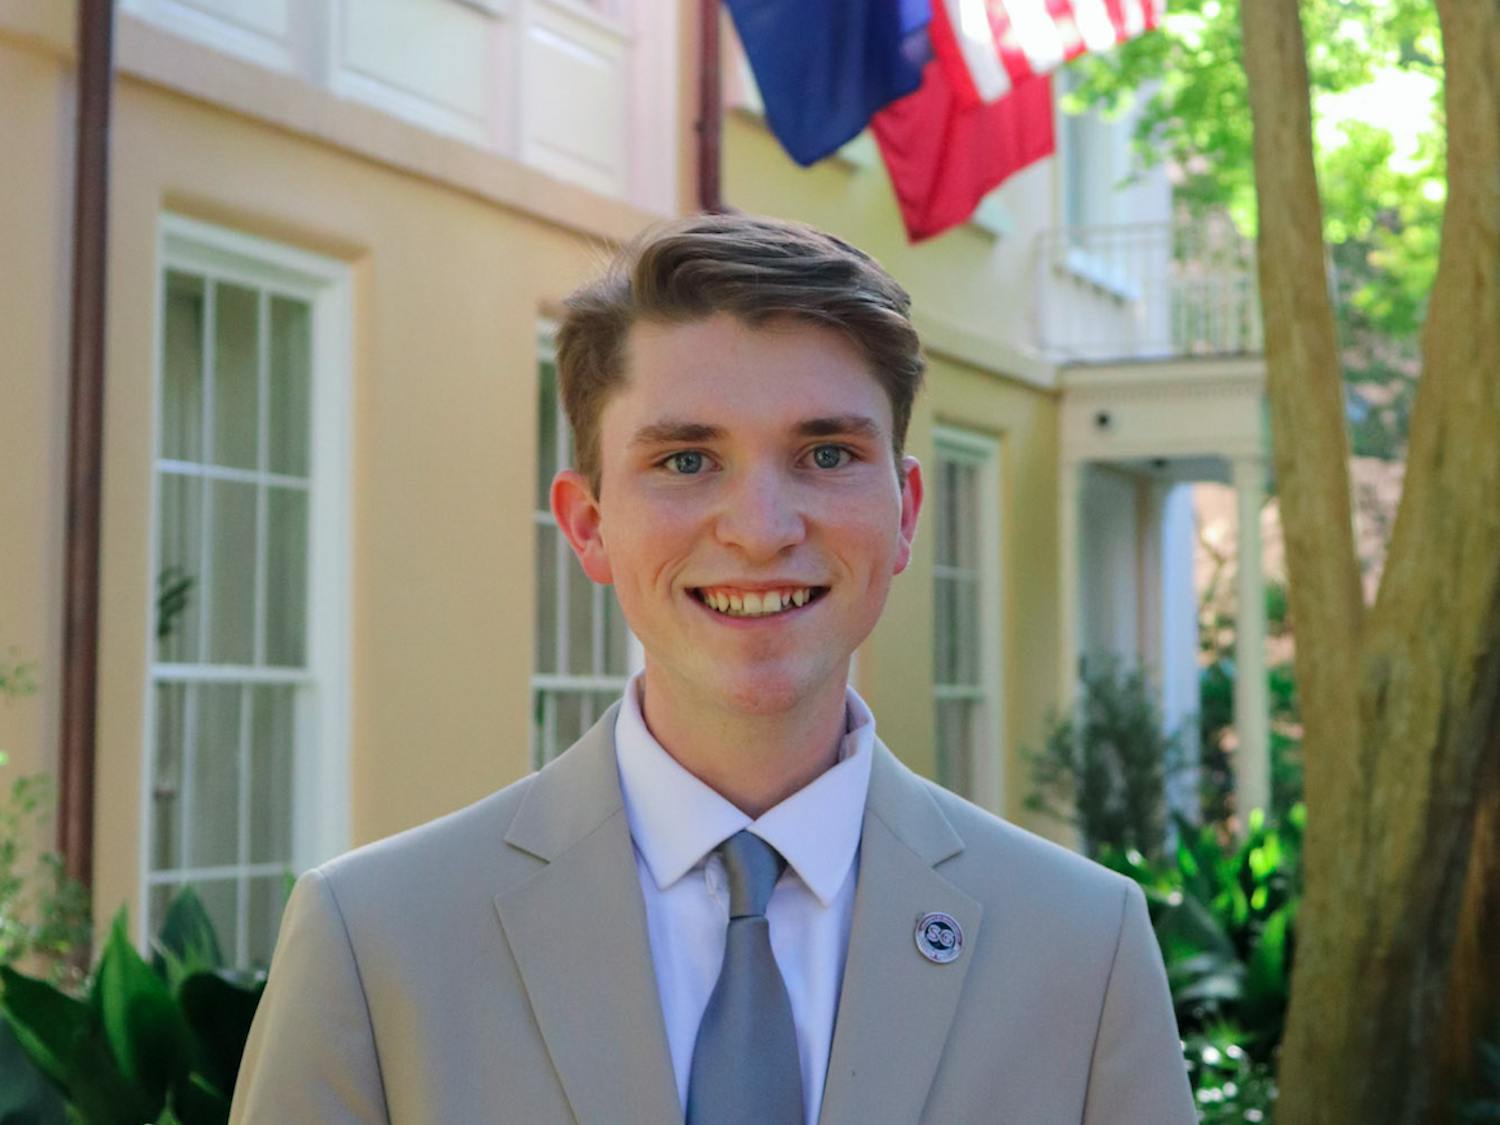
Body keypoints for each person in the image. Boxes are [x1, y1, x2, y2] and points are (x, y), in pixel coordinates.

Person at [229, 212, 1196, 1124]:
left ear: (904, 513)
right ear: (589, 523)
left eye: (825, 451)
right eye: (687, 461)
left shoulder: (1081, 947)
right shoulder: (378, 941)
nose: (762, 530)